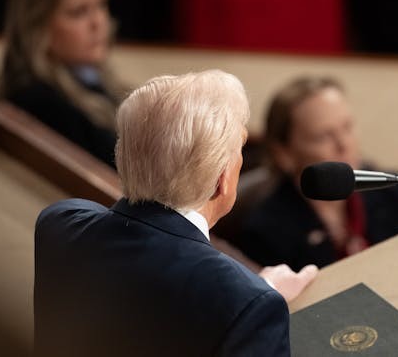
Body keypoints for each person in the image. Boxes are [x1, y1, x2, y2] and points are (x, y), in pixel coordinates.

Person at [34, 70, 318, 356]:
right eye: (239, 149)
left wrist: (254, 293)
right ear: (222, 179)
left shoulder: (61, 225)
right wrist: (254, 297)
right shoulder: (246, 303)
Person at [239, 76, 398, 271]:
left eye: (347, 127)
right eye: (324, 136)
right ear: (284, 154)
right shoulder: (265, 233)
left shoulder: (391, 191)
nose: (344, 144)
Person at [0, 0, 126, 167]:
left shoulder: (98, 84)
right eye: (79, 11)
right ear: (37, 23)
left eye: (101, 5)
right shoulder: (39, 104)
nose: (98, 22)